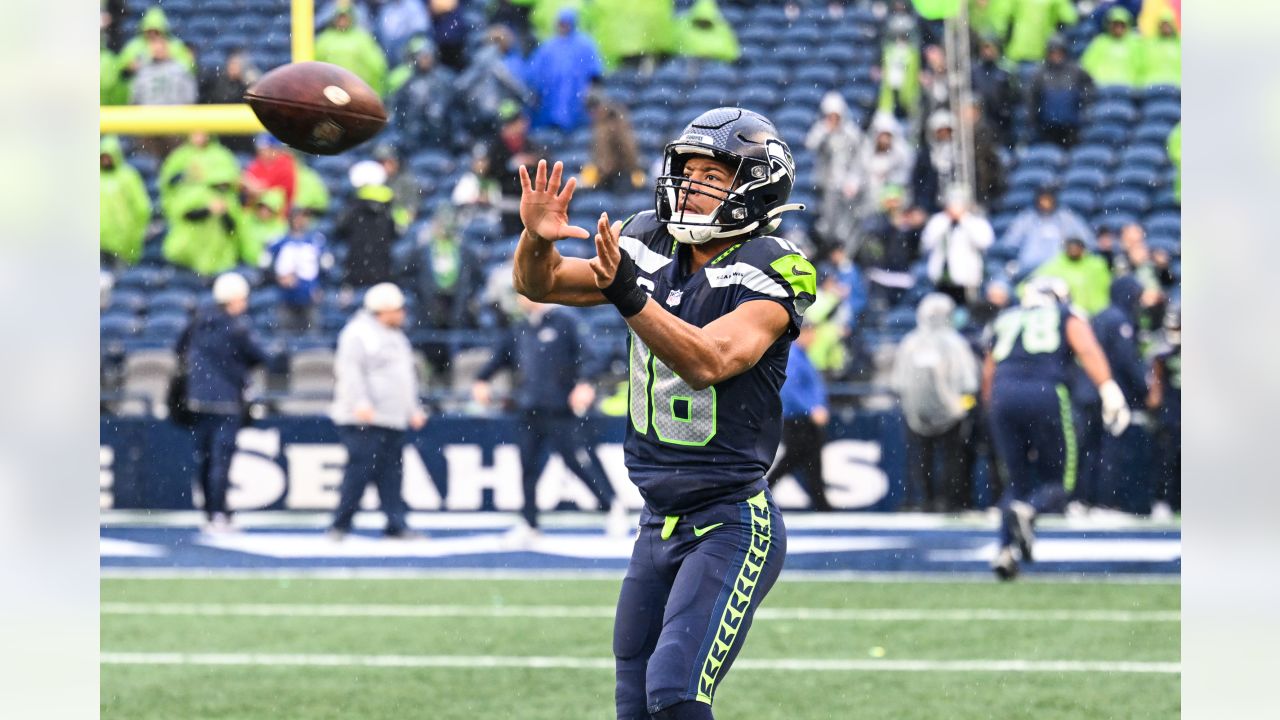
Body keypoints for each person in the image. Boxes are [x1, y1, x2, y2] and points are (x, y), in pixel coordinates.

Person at [511, 107, 810, 719]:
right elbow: (540, 286)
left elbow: (711, 359)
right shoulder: (649, 237)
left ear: (756, 185)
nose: (693, 185)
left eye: (713, 175)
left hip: (729, 518)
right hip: (658, 520)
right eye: (689, 170)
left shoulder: (775, 264)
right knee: (634, 705)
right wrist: (537, 236)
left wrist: (626, 293)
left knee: (674, 690)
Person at [982, 277, 1130, 580]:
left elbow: (988, 370)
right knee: (1061, 480)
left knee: (1017, 481)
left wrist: (993, 406)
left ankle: (1004, 550)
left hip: (1002, 395)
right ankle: (1031, 511)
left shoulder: (1007, 318)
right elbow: (1086, 347)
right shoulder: (1065, 315)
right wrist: (1108, 387)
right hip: (1045, 393)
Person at [471, 293, 628, 542]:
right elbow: (500, 357)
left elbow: (590, 355)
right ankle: (529, 522)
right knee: (528, 467)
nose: (521, 299)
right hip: (529, 408)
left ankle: (611, 506)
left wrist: (585, 383)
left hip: (561, 409)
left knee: (579, 461)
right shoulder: (522, 327)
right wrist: (482, 379)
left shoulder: (566, 320)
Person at [328, 283, 428, 540]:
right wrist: (360, 402)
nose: (403, 313)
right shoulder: (358, 333)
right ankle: (341, 524)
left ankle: (395, 523)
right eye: (398, 309)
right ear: (382, 310)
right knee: (359, 472)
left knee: (391, 474)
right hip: (364, 418)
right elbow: (350, 372)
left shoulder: (395, 335)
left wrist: (412, 408)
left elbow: (404, 377)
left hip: (391, 418)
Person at [179, 273, 269, 532]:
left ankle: (210, 511)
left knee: (206, 458)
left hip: (197, 399)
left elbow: (179, 349)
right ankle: (219, 513)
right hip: (227, 399)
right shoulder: (236, 326)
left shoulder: (197, 320)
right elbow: (259, 356)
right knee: (221, 459)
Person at [891, 293, 980, 512]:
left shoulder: (910, 342)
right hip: (951, 412)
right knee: (951, 458)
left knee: (922, 458)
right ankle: (948, 500)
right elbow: (969, 381)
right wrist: (960, 404)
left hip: (916, 413)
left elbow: (898, 382)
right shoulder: (955, 343)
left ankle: (924, 499)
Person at [1091, 275, 1150, 512]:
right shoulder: (1118, 320)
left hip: (1092, 390)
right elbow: (1127, 360)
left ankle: (1088, 498)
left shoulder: (1101, 316)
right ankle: (1109, 500)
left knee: (1093, 447)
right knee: (1113, 448)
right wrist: (1145, 386)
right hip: (1113, 390)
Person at [764, 319, 833, 511]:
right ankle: (765, 490)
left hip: (803, 417)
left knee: (811, 459)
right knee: (795, 457)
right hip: (797, 418)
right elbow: (790, 389)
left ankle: (821, 502)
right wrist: (811, 409)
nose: (814, 337)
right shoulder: (794, 356)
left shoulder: (803, 355)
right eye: (810, 332)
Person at [162, 163, 251, 276]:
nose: (222, 187)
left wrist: (224, 213)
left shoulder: (231, 200)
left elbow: (233, 228)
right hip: (188, 253)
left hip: (218, 257)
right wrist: (207, 210)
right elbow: (183, 215)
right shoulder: (196, 193)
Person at [525, 8, 603, 131]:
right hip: (551, 95)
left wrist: (591, 89)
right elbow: (533, 72)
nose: (563, 26)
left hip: (577, 94)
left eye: (566, 23)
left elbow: (594, 71)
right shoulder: (548, 46)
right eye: (561, 23)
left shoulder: (585, 44)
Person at [805, 92, 863, 253]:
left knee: (846, 223)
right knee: (826, 222)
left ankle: (843, 250)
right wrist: (825, 130)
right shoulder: (822, 129)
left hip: (846, 185)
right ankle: (827, 249)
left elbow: (858, 161)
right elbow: (810, 144)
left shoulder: (851, 133)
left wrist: (853, 181)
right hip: (827, 184)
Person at [920, 188, 995, 307]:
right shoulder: (938, 221)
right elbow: (927, 243)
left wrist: (963, 220)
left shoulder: (975, 222)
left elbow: (985, 242)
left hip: (966, 279)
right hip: (941, 278)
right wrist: (946, 222)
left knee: (965, 311)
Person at [1001, 183, 1095, 275]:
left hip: (1059, 269)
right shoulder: (1026, 218)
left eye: (1048, 199)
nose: (1045, 203)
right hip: (1029, 269)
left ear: (1054, 200)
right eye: (1042, 199)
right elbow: (1009, 243)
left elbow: (1088, 241)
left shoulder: (1067, 218)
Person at [336, 160, 398, 288]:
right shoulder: (389, 206)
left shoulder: (353, 207)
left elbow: (339, 228)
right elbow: (396, 231)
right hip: (382, 270)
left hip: (356, 270)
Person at [268, 207, 329, 332]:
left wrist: (321, 287)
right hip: (286, 297)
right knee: (284, 335)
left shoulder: (317, 240)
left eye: (303, 217)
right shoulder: (279, 241)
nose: (300, 220)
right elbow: (265, 267)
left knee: (314, 337)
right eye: (297, 217)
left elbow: (326, 268)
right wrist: (279, 278)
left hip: (310, 296)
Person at [1027, 36, 1095, 148]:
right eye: (1053, 53)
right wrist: (1033, 121)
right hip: (1047, 125)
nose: (1056, 56)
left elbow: (1090, 87)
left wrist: (1082, 102)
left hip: (1071, 124)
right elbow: (1032, 99)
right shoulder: (1039, 73)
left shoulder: (1075, 70)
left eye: (1059, 52)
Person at [392, 37, 458, 150]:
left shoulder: (446, 80)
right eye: (421, 56)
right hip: (414, 137)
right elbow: (399, 109)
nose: (425, 60)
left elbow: (455, 109)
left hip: (442, 136)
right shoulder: (408, 83)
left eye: (427, 56)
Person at [1147, 302, 1180, 516]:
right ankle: (1163, 499)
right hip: (1172, 410)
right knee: (1167, 457)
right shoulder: (1162, 350)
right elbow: (1156, 384)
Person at [316, 2, 389, 97]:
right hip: (330, 91)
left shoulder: (362, 38)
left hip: (357, 91)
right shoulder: (324, 40)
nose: (342, 21)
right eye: (340, 18)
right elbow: (315, 66)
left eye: (345, 18)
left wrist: (375, 92)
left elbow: (376, 66)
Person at [99, 135, 152, 267]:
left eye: (108, 156)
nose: (105, 161)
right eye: (103, 157)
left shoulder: (128, 177)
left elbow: (142, 208)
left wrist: (134, 235)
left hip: (123, 242)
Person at [158, 132, 240, 214]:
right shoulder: (178, 156)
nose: (199, 136)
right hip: (186, 207)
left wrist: (205, 178)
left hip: (218, 207)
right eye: (195, 132)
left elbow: (228, 182)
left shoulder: (221, 154)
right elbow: (168, 182)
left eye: (202, 132)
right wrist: (185, 175)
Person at [1030, 236, 1112, 316]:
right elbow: (1029, 285)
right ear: (1065, 248)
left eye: (1077, 247)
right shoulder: (1054, 266)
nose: (1074, 250)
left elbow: (1110, 286)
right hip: (1068, 316)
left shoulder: (1097, 265)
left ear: (1083, 248)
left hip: (1100, 313)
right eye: (1071, 247)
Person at [582, 93, 645, 193]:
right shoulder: (617, 124)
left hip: (614, 175)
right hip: (616, 174)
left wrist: (605, 169)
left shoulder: (605, 128)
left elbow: (625, 151)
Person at [971, 35, 1019, 150]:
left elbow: (1013, 99)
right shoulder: (973, 73)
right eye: (985, 48)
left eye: (991, 48)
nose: (988, 52)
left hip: (1000, 125)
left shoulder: (1005, 74)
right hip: (980, 125)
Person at [994, 0, 1079, 64]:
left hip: (1017, 50)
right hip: (1041, 51)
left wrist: (1001, 38)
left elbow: (1000, 19)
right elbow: (1070, 18)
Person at [1080, 6, 1144, 88]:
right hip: (1101, 87)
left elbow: (1141, 67)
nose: (1118, 28)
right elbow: (1087, 66)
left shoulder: (1136, 44)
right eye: (1115, 24)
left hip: (1128, 89)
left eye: (1121, 25)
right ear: (1109, 25)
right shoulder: (1100, 42)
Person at [373, 143, 425, 231]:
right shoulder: (376, 181)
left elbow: (413, 210)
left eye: (386, 162)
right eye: (380, 163)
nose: (383, 167)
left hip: (402, 230)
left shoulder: (407, 181)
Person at [242, 134, 297, 212]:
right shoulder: (258, 162)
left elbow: (279, 195)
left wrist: (257, 188)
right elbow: (246, 180)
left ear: (274, 149)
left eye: (265, 149)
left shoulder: (285, 165)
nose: (261, 152)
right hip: (256, 213)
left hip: (279, 214)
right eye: (260, 149)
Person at [673, 0, 740, 64]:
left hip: (714, 64)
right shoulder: (684, 29)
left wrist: (710, 55)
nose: (703, 24)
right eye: (700, 22)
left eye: (705, 22)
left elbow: (732, 53)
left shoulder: (722, 31)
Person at [1142, 10, 1181, 87]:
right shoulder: (1149, 44)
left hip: (1177, 86)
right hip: (1153, 85)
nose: (1166, 27)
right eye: (1163, 24)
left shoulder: (1179, 44)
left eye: (1168, 24)